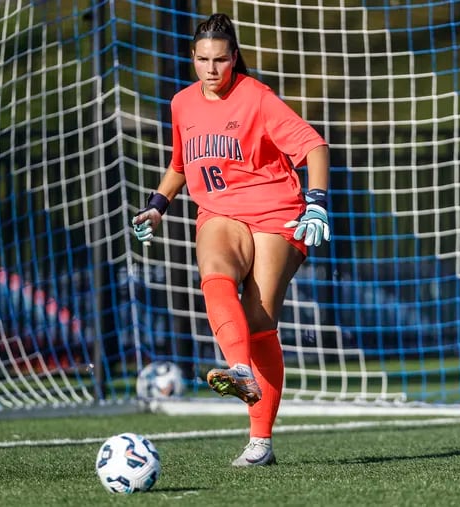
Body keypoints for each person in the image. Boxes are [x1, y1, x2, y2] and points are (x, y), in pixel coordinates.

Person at [131, 13, 331, 467]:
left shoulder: (257, 98)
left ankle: (260, 441)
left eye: (221, 60)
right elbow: (181, 164)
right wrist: (157, 205)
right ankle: (240, 370)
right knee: (214, 270)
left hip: (276, 211)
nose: (211, 69)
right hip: (220, 210)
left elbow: (314, 146)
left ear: (234, 58)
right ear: (192, 59)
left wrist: (317, 203)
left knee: (259, 320)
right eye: (202, 60)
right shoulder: (182, 103)